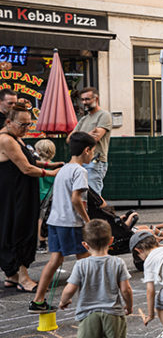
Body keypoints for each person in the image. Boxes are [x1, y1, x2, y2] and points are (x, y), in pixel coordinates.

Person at [57, 219, 138, 338]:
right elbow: (126, 289)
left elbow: (69, 289)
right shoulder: (117, 262)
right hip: (113, 313)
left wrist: (64, 301)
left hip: (88, 315)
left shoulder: (81, 265)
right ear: (111, 240)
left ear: (85, 245)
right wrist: (129, 306)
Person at [29, 132, 96, 313]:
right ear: (87, 150)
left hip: (55, 222)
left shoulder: (64, 169)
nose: (93, 156)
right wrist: (87, 221)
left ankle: (38, 300)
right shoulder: (80, 171)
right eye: (93, 152)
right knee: (85, 259)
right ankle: (90, 301)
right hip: (71, 223)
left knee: (55, 259)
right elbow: (76, 199)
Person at [1, 103, 61, 293]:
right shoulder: (6, 140)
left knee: (18, 228)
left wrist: (47, 164)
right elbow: (26, 168)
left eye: (29, 124)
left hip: (21, 192)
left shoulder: (15, 137)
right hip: (14, 195)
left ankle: (12, 276)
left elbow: (29, 160)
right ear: (9, 122)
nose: (27, 128)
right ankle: (24, 278)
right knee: (19, 230)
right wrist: (52, 173)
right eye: (23, 125)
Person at [69, 87, 112, 195]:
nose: (84, 102)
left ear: (96, 99)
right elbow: (69, 139)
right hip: (80, 162)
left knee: (93, 196)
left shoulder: (104, 115)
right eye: (82, 100)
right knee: (80, 195)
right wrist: (88, 135)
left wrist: (78, 136)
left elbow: (95, 139)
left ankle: (95, 212)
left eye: (87, 99)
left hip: (95, 161)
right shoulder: (84, 119)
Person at [34, 139, 58, 252]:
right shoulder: (54, 166)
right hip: (51, 196)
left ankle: (42, 243)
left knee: (39, 219)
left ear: (38, 151)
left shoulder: (36, 166)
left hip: (39, 195)